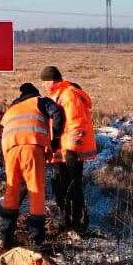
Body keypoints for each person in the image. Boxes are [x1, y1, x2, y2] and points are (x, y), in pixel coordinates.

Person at [0, 83, 63, 252]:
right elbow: (57, 112)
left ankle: (5, 237)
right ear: (35, 93)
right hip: (32, 147)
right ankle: (36, 240)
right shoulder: (40, 101)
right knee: (36, 191)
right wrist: (55, 141)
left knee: (11, 191)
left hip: (11, 150)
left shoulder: (12, 108)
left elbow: (4, 128)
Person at [40, 66, 97, 231]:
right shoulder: (59, 94)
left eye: (45, 82)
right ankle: (67, 220)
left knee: (73, 184)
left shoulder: (68, 94)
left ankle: (78, 222)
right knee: (61, 184)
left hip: (70, 150)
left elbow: (76, 123)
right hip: (62, 148)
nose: (44, 86)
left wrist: (71, 149)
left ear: (51, 80)